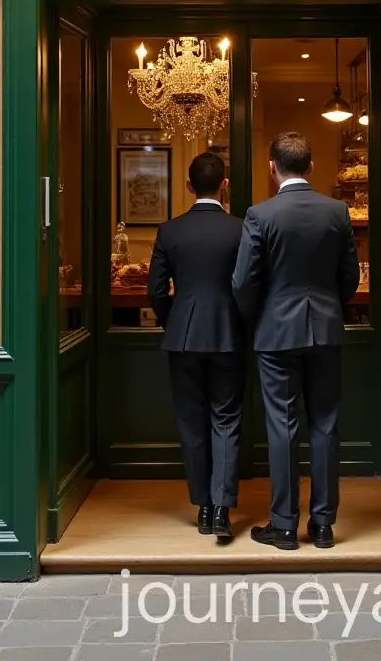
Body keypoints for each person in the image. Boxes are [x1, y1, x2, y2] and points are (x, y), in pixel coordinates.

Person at [232, 132, 360, 551]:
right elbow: (350, 278)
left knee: (281, 427)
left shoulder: (260, 214)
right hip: (325, 328)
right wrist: (328, 307)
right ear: (310, 166)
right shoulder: (337, 211)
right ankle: (323, 526)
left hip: (276, 332)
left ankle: (284, 526)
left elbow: (243, 281)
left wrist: (260, 315)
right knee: (324, 425)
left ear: (273, 168)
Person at [148, 151, 246, 542]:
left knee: (191, 421)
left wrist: (173, 319)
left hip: (184, 337)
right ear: (225, 185)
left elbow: (155, 291)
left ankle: (203, 505)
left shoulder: (170, 231)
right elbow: (250, 284)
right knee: (227, 418)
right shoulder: (241, 229)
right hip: (228, 335)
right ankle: (222, 508)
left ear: (189, 186)